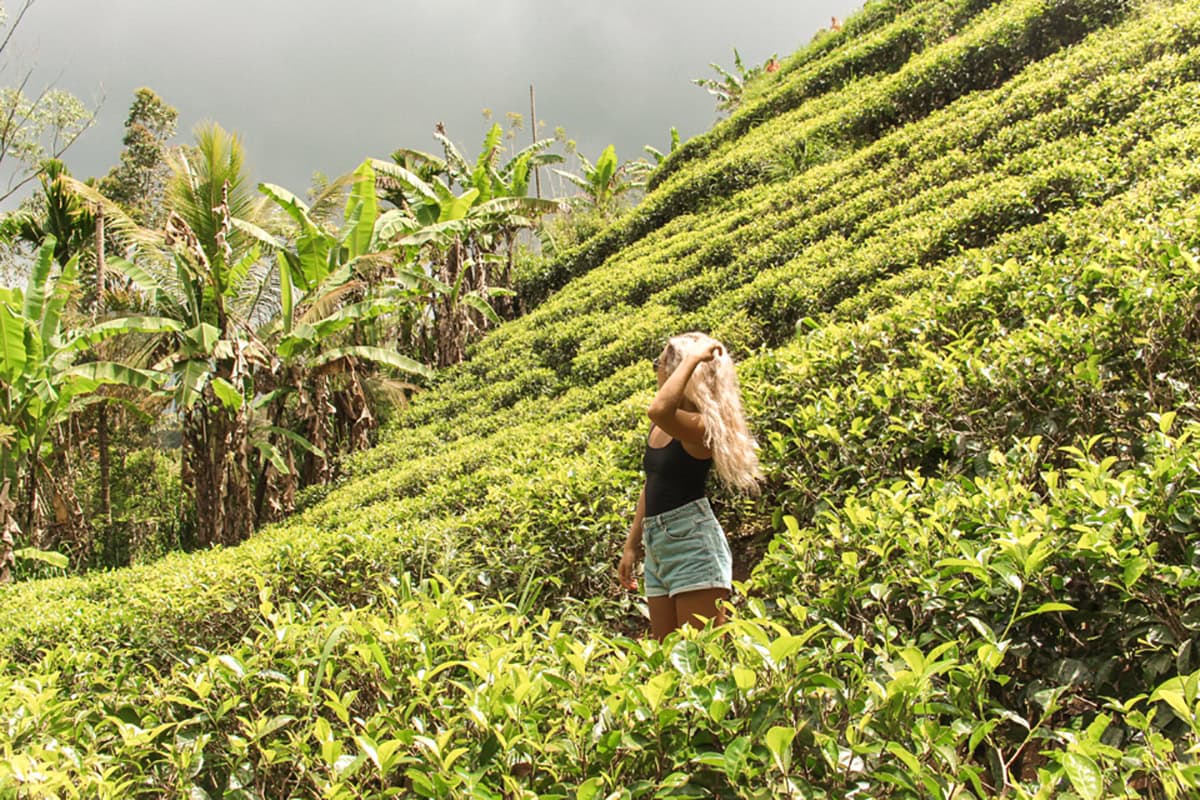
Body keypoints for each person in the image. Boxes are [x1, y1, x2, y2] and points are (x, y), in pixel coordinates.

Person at [617, 332, 763, 640]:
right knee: (669, 656)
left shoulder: (702, 425)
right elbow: (653, 484)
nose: (658, 368)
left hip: (692, 543)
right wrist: (632, 544)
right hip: (659, 545)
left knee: (700, 657)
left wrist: (695, 356)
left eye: (664, 362)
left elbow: (657, 408)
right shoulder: (663, 426)